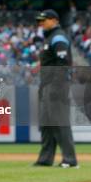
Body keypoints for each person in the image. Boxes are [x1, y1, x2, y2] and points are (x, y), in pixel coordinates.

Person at [33, 9, 78, 168]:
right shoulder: (50, 37)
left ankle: (70, 160)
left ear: (54, 20)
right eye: (39, 21)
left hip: (56, 85)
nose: (41, 23)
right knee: (46, 123)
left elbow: (63, 63)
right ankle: (45, 159)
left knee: (59, 122)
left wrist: (55, 87)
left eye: (43, 20)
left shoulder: (58, 36)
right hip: (46, 84)